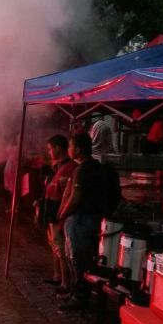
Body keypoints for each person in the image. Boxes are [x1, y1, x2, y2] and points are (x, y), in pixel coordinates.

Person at [57, 133, 104, 311]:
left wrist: (62, 214)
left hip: (81, 220)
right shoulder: (95, 167)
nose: (68, 149)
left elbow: (75, 197)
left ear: (78, 149)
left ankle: (79, 297)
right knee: (77, 258)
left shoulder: (83, 170)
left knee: (77, 259)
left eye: (70, 146)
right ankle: (76, 293)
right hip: (88, 219)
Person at [41, 135, 77, 294]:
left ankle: (65, 282)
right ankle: (57, 276)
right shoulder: (57, 166)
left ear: (58, 148)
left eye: (50, 149)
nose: (49, 152)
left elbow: (67, 194)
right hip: (50, 211)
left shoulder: (70, 167)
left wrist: (62, 214)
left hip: (59, 213)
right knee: (54, 245)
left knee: (60, 249)